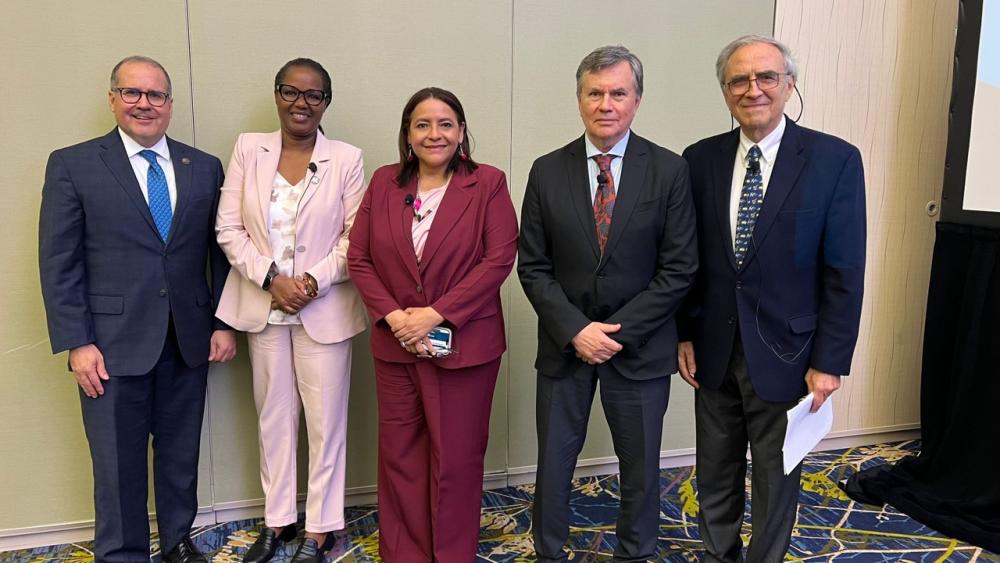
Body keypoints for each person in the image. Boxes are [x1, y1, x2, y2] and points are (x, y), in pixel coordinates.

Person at [38, 56, 236, 563]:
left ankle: (176, 542)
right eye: (132, 93)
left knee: (179, 457)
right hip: (109, 345)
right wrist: (77, 343)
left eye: (156, 95)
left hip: (187, 340)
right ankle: (122, 554)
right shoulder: (74, 164)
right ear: (113, 99)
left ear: (170, 103)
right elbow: (59, 261)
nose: (144, 104)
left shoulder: (204, 166)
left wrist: (220, 322)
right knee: (117, 464)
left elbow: (219, 254)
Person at [678, 35, 866, 562]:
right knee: (713, 472)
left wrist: (830, 362)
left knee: (775, 479)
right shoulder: (699, 160)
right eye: (739, 80)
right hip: (713, 350)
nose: (753, 89)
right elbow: (687, 260)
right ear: (725, 91)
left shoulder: (834, 161)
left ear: (789, 84)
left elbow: (845, 272)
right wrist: (685, 332)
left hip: (790, 355)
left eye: (766, 77)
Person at [518, 45, 698, 562]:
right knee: (553, 465)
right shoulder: (546, 170)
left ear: (637, 100)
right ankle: (548, 552)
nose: (606, 103)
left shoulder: (668, 170)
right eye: (594, 93)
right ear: (579, 99)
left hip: (638, 351)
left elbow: (679, 268)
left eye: (618, 92)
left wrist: (615, 332)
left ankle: (635, 553)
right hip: (564, 346)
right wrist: (577, 330)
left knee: (640, 467)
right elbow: (533, 265)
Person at [347, 87, 518, 562]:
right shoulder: (384, 182)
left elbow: (499, 259)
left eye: (445, 123)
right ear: (407, 134)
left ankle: (450, 555)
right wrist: (397, 317)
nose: (434, 134)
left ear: (462, 132)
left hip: (464, 347)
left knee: (455, 463)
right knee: (400, 458)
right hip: (396, 344)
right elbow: (359, 258)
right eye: (422, 124)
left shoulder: (487, 183)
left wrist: (435, 315)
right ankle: (405, 554)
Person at [214, 58, 367, 563]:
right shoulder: (247, 149)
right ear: (276, 94)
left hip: (323, 309)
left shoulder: (346, 158)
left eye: (313, 94)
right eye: (291, 91)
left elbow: (355, 238)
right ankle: (278, 519)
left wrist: (307, 282)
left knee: (326, 423)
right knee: (273, 418)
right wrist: (270, 280)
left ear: (327, 102)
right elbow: (228, 228)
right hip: (265, 308)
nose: (301, 102)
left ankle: (322, 526)